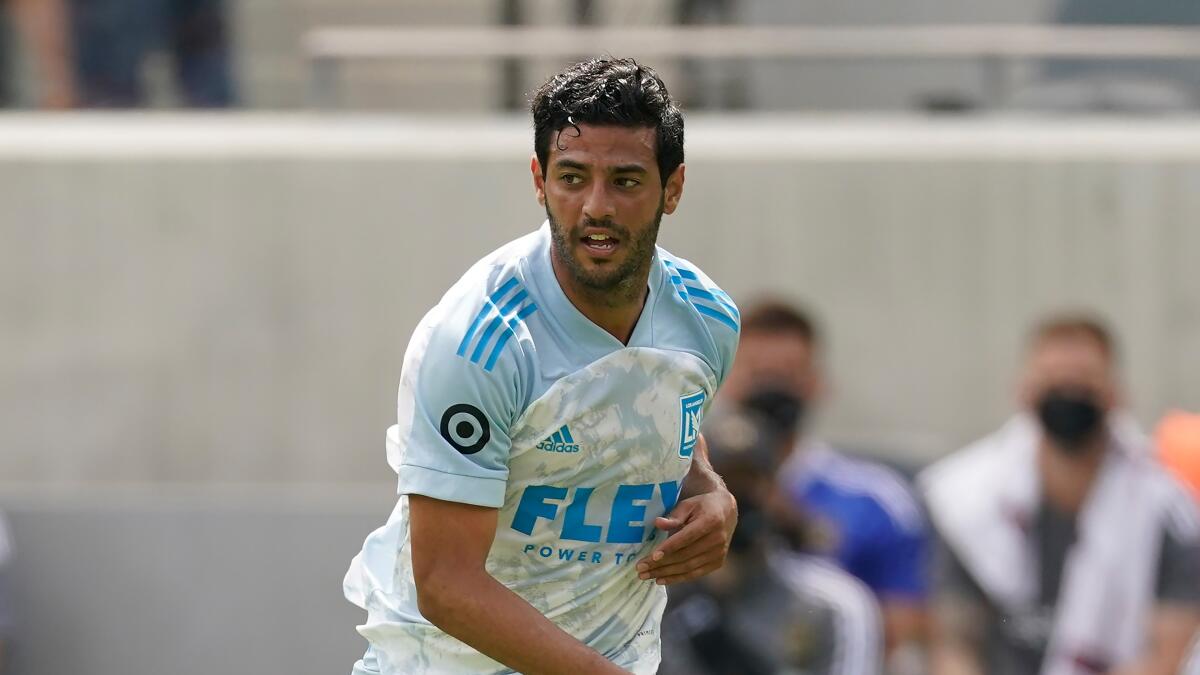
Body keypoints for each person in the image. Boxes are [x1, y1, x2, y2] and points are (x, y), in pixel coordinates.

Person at [343, 57, 740, 675]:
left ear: (674, 187)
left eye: (627, 181)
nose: (595, 207)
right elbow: (446, 582)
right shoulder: (481, 343)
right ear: (539, 180)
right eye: (572, 177)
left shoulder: (708, 320)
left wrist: (712, 494)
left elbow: (668, 421)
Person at [921, 314, 1200, 675]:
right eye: (1054, 380)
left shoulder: (1165, 510)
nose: (1068, 392)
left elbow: (1165, 657)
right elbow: (954, 646)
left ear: (1115, 394)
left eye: (1083, 380)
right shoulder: (969, 503)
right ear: (1025, 392)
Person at [717, 299, 931, 666]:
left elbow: (902, 636)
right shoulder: (684, 486)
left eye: (788, 374)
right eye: (758, 373)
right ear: (726, 380)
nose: (772, 388)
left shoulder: (878, 501)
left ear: (817, 383)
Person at [659, 407, 883, 675]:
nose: (736, 498)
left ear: (776, 492)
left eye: (751, 483)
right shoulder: (656, 598)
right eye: (723, 482)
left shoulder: (828, 605)